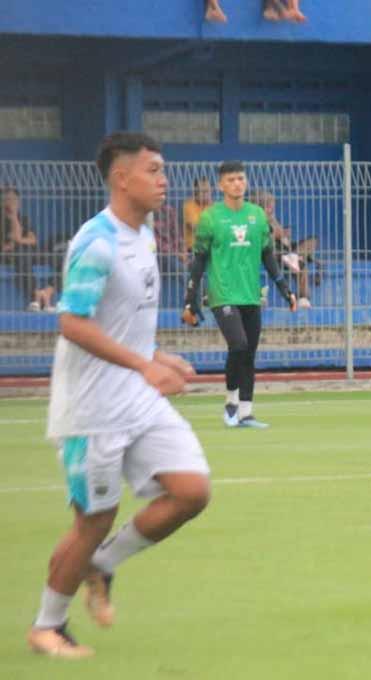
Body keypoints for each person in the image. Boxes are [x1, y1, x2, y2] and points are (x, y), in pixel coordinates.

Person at [27, 132, 211, 659]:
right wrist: (143, 365)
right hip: (93, 409)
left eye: (163, 169)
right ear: (121, 177)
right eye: (153, 170)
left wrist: (156, 356)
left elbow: (124, 321)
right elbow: (72, 322)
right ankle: (47, 627)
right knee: (94, 520)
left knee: (192, 490)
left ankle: (103, 565)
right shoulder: (97, 243)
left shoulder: (144, 235)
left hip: (137, 396)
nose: (164, 180)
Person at [184, 161, 297, 429]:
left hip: (250, 294)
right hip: (222, 294)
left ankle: (246, 413)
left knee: (249, 353)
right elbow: (199, 260)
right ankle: (231, 401)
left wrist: (285, 289)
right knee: (238, 345)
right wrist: (190, 299)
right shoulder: (210, 217)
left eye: (241, 179)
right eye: (231, 180)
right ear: (221, 185)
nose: (237, 184)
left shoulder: (257, 215)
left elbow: (268, 256)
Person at [250, 188, 316, 308]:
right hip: (273, 252)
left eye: (272, 205)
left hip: (286, 249)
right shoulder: (255, 219)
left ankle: (294, 256)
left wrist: (284, 234)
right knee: (301, 265)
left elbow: (283, 238)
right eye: (268, 206)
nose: (272, 208)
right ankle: (303, 297)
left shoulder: (272, 218)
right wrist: (276, 234)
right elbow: (259, 241)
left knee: (313, 241)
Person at [1, 187, 57, 310]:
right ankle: (35, 295)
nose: (11, 203)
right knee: (21, 253)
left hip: (29, 253)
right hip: (11, 256)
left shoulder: (23, 218)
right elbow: (12, 241)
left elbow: (33, 240)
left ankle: (47, 292)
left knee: (61, 258)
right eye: (8, 199)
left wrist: (19, 240)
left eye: (14, 199)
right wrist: (13, 218)